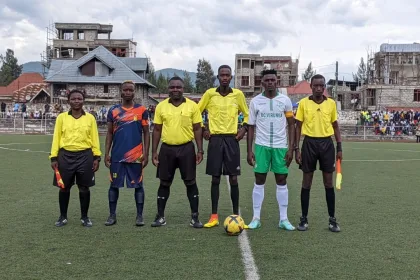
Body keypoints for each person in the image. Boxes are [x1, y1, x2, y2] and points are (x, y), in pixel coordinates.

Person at [198, 65, 249, 228]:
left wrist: (244, 128)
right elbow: (196, 112)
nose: (225, 77)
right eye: (222, 75)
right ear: (218, 77)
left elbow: (248, 114)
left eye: (227, 75)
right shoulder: (209, 94)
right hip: (215, 140)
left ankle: (236, 215)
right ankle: (214, 216)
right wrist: (204, 129)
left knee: (233, 178)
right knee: (215, 178)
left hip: (231, 140)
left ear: (231, 77)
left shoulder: (238, 95)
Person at [151, 76, 204, 228]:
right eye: (172, 87)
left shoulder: (192, 106)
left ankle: (195, 217)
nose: (175, 89)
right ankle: (160, 216)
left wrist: (200, 150)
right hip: (166, 149)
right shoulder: (161, 106)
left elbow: (197, 128)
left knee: (190, 182)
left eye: (178, 87)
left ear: (183, 89)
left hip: (187, 148)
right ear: (168, 89)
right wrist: (154, 151)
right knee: (164, 182)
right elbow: (157, 129)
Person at [246, 69, 295, 230]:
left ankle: (283, 219)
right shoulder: (255, 102)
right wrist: (249, 150)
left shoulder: (285, 101)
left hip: (281, 147)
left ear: (277, 81)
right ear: (262, 83)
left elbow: (291, 124)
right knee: (259, 180)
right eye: (267, 80)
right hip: (261, 146)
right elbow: (251, 126)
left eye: (273, 80)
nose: (270, 83)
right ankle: (256, 218)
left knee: (281, 180)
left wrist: (292, 149)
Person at [294, 74, 343, 232]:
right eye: (315, 85)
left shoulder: (331, 104)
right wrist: (296, 149)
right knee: (306, 182)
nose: (319, 88)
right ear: (311, 87)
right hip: (309, 144)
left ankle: (332, 220)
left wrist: (339, 147)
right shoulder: (303, 103)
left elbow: (335, 126)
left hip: (327, 144)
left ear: (325, 87)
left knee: (328, 183)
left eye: (321, 86)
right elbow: (298, 126)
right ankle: (303, 219)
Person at [49, 89, 101, 227]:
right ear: (68, 101)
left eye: (79, 98)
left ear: (83, 100)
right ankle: (63, 217)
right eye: (73, 99)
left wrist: (97, 157)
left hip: (85, 156)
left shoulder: (90, 118)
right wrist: (53, 157)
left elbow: (95, 138)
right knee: (64, 188)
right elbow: (56, 138)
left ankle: (85, 217)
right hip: (65, 156)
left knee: (84, 188)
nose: (76, 101)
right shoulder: (62, 118)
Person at [104, 80, 150, 226]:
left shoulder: (142, 110)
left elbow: (146, 133)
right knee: (113, 185)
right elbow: (109, 133)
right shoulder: (113, 111)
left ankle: (139, 216)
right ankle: (112, 216)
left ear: (134, 92)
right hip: (117, 156)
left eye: (131, 90)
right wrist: (106, 153)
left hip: (136, 156)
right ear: (121, 92)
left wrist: (146, 154)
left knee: (138, 186)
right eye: (125, 90)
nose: (128, 92)